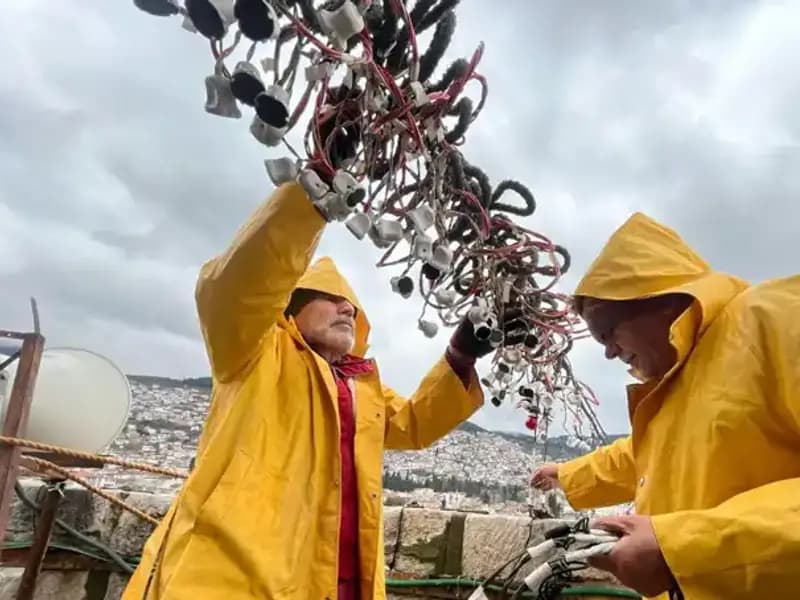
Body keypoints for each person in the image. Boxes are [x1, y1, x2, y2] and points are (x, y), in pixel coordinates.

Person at [122, 180, 517, 600]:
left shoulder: (360, 388)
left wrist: (460, 356)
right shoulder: (255, 352)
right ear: (289, 307)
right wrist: (310, 197)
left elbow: (413, 423)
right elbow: (240, 289)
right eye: (330, 298)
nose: (347, 307)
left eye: (352, 306)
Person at [531, 212, 800, 600]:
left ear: (656, 298)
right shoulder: (680, 378)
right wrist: (568, 475)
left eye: (607, 333)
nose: (609, 353)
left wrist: (680, 548)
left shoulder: (774, 317)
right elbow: (647, 455)